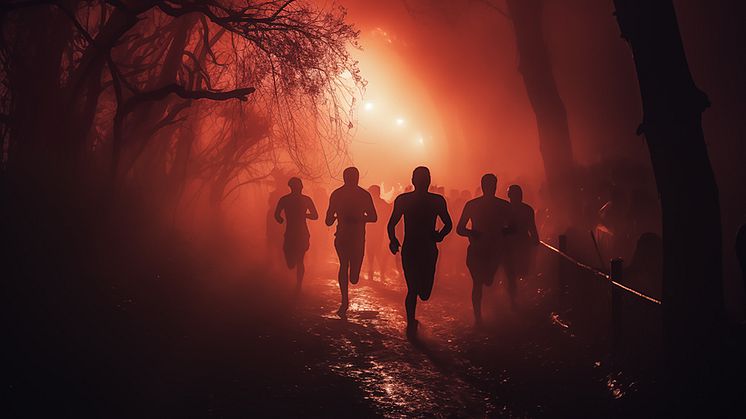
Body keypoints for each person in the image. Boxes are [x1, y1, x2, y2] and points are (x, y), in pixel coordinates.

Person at [388, 166, 452, 335]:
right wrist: (393, 239)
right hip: (416, 248)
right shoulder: (407, 200)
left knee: (423, 293)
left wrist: (393, 239)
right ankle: (410, 324)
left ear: (413, 181)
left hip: (425, 248)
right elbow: (391, 223)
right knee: (414, 289)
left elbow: (448, 224)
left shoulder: (434, 201)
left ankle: (411, 322)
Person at [457, 174, 512, 324]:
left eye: (491, 186)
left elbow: (513, 227)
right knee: (478, 283)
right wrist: (472, 232)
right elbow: (460, 229)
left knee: (487, 281)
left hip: (494, 250)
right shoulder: (473, 205)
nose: (490, 188)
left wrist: (503, 232)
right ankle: (478, 317)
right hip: (478, 249)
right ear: (484, 187)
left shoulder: (503, 206)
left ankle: (491, 312)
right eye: (488, 186)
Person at [326, 167, 378, 316]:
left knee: (353, 275)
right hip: (346, 237)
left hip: (356, 237)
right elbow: (328, 219)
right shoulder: (345, 194)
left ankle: (347, 293)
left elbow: (374, 217)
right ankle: (344, 301)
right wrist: (336, 218)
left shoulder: (359, 195)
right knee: (344, 265)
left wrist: (357, 219)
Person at [274, 177, 319, 289]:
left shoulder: (305, 200)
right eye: (296, 186)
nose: (298, 188)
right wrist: (279, 219)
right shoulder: (285, 199)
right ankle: (296, 280)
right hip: (291, 232)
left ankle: (299, 284)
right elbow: (276, 214)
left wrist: (304, 215)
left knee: (299, 260)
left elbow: (315, 216)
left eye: (298, 186)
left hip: (301, 233)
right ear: (291, 187)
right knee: (291, 263)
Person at [505, 184, 539, 308]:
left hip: (520, 244)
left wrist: (535, 239)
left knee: (521, 272)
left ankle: (516, 297)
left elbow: (532, 227)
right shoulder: (509, 209)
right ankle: (513, 299)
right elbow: (532, 228)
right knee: (512, 273)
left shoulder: (525, 209)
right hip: (512, 245)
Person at [366, 185, 391, 282]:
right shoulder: (384, 204)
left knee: (372, 251)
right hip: (377, 231)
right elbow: (388, 216)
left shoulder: (370, 203)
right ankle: (380, 272)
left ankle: (373, 271)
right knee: (376, 251)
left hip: (372, 231)